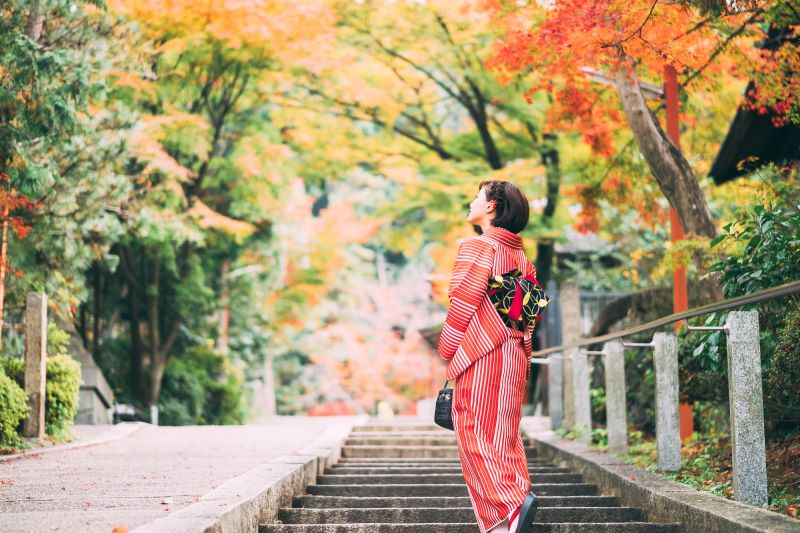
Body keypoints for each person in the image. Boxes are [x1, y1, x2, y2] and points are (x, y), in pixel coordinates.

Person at [438, 180, 540, 533]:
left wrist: (448, 349)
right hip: (512, 354)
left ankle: (509, 506)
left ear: (492, 206)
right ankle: (509, 517)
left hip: (482, 356)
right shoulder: (520, 257)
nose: (471, 202)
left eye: (477, 198)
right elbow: (528, 317)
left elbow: (463, 304)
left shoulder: (477, 248)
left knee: (472, 429)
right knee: (503, 435)